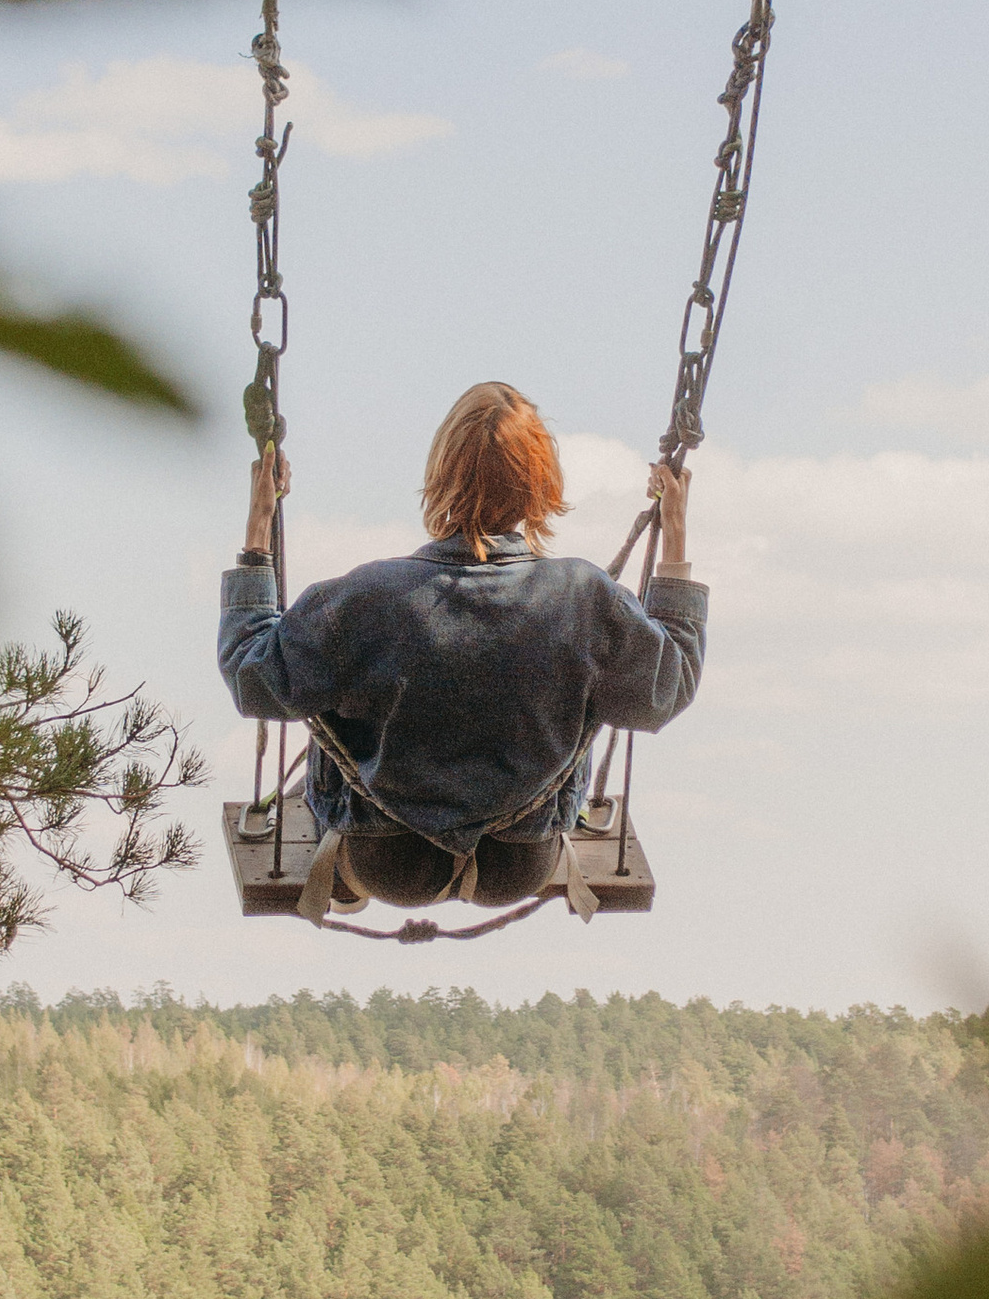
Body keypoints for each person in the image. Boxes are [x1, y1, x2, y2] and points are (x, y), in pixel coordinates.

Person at [217, 382, 707, 914]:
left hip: (387, 861)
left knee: (333, 699)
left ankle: (344, 869)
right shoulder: (585, 597)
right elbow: (667, 688)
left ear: (439, 475)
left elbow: (253, 677)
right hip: (519, 862)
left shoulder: (364, 597)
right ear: (541, 483)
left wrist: (258, 528)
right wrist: (675, 538)